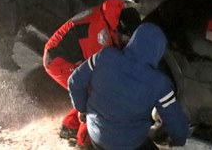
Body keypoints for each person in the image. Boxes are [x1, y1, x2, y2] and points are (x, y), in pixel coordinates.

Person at [68, 22, 190, 150]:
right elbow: (175, 121)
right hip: (129, 144)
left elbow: (74, 82)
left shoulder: (103, 57)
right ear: (159, 50)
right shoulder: (160, 83)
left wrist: (82, 108)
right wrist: (179, 139)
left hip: (96, 136)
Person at [44, 0, 141, 148]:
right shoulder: (98, 36)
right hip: (58, 62)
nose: (127, 42)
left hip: (70, 54)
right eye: (127, 38)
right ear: (118, 29)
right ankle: (85, 142)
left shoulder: (112, 15)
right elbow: (96, 77)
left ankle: (69, 126)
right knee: (95, 96)